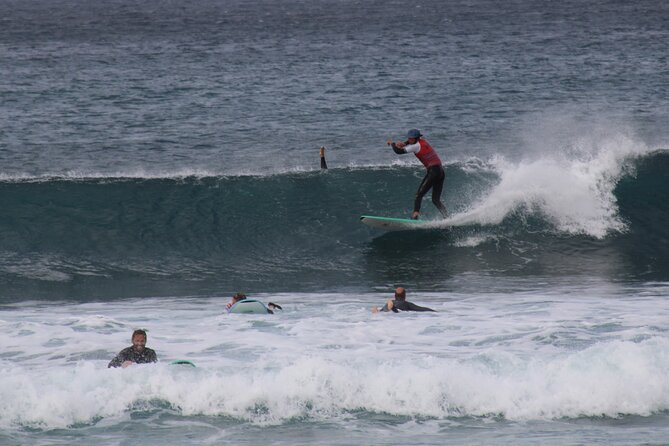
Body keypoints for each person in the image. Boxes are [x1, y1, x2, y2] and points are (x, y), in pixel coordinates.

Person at [387, 129, 448, 219]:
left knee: (418, 195)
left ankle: (415, 216)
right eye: (409, 138)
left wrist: (392, 143)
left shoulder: (415, 146)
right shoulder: (422, 141)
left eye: (412, 139)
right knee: (435, 200)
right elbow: (411, 142)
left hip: (433, 172)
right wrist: (405, 143)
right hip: (440, 171)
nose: (410, 140)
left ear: (416, 138)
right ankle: (447, 217)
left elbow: (398, 151)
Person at [371, 287, 436, 313]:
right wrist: (434, 311)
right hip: (402, 317)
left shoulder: (389, 303)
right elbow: (421, 309)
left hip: (390, 315)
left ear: (395, 295)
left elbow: (382, 312)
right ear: (404, 295)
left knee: (381, 311)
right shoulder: (407, 304)